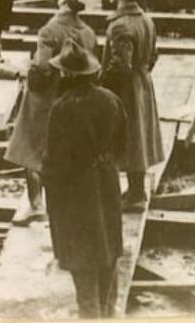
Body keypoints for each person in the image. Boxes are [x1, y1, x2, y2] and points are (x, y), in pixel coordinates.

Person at [42, 40, 126, 320]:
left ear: (67, 75)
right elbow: (121, 145)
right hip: (107, 183)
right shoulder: (111, 99)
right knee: (108, 251)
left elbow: (54, 161)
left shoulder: (62, 108)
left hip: (75, 191)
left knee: (82, 260)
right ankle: (108, 312)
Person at [4, 0, 99, 226]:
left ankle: (37, 205)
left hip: (45, 98)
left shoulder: (49, 31)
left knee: (30, 147)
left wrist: (25, 70)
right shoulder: (88, 32)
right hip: (74, 96)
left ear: (64, 3)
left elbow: (43, 69)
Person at [99, 0, 163, 211]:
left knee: (129, 138)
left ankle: (134, 196)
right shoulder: (147, 20)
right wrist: (142, 75)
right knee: (140, 137)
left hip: (126, 89)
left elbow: (119, 66)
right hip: (143, 83)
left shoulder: (120, 26)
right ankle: (137, 191)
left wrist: (102, 87)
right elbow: (154, 56)